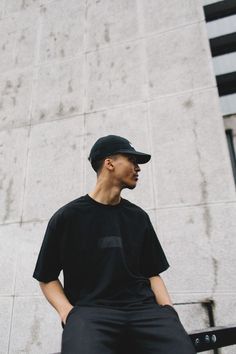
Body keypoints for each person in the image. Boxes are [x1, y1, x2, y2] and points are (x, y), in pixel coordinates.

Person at [33, 135, 196, 354]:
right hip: (90, 314)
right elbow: (47, 277)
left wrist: (168, 310)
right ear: (109, 163)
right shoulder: (67, 217)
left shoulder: (138, 217)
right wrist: (68, 313)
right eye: (131, 160)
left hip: (145, 311)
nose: (138, 168)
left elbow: (152, 273)